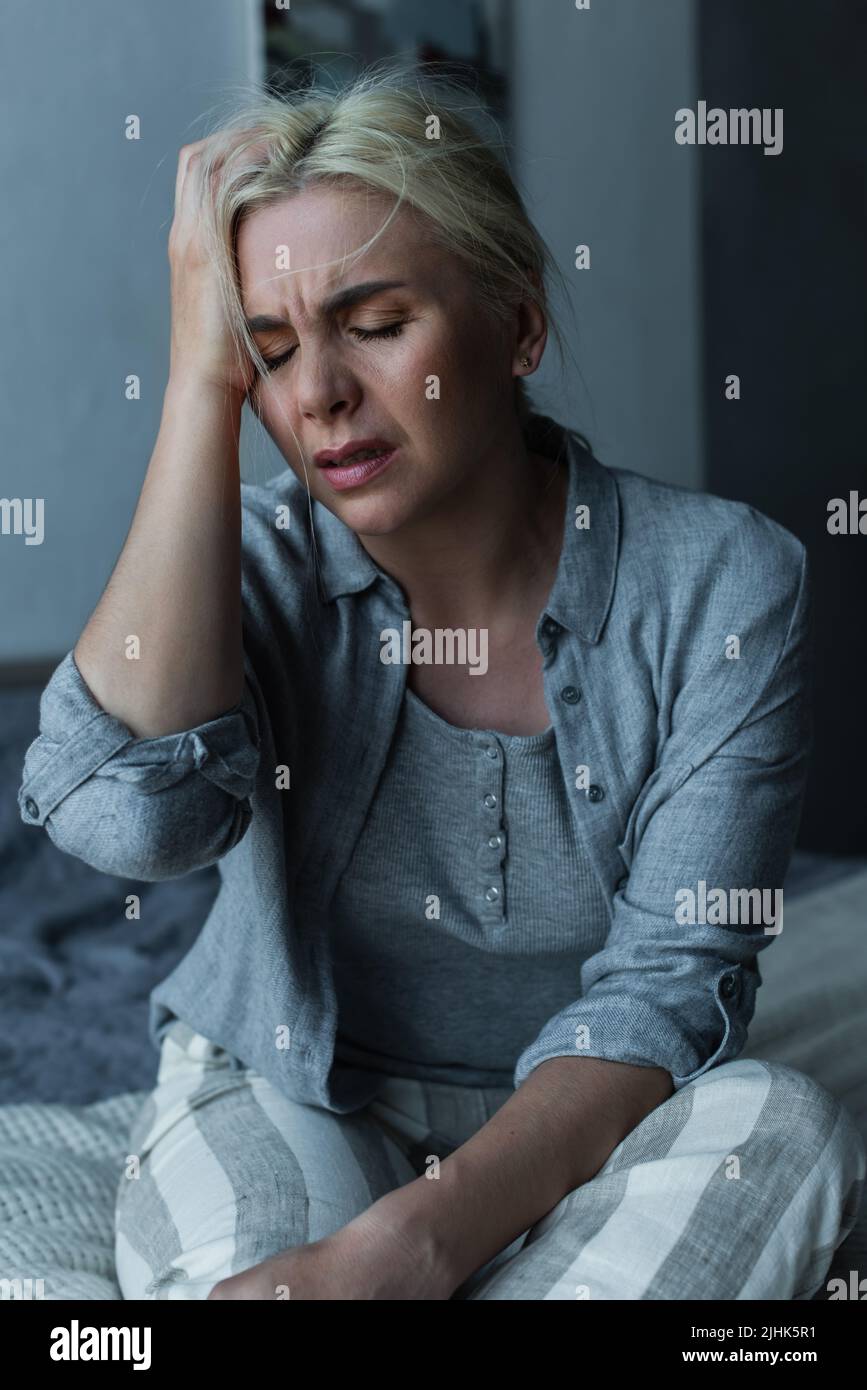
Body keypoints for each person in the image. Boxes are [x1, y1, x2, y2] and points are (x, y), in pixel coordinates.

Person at [18, 61, 864, 1300]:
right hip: (290, 1081)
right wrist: (199, 385)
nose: (317, 395)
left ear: (518, 325)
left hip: (586, 1121)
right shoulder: (250, 571)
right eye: (267, 348)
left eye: (374, 323)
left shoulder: (726, 585)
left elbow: (667, 994)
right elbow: (134, 821)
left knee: (791, 1132)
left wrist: (410, 1245)